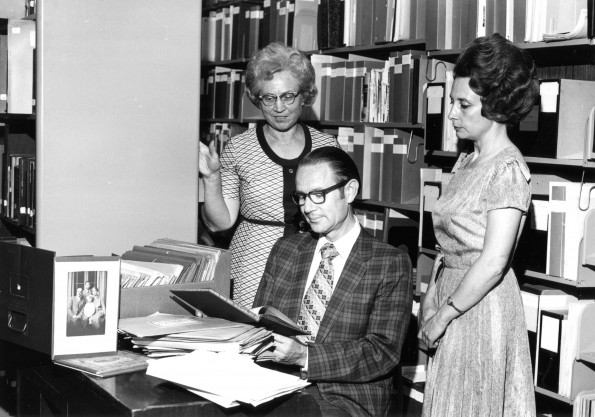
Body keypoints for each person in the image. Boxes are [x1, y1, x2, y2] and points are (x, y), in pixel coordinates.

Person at [418, 33, 539, 416]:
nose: (452, 113)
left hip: (481, 310)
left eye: (463, 104)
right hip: (452, 295)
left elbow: (493, 262)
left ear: (497, 106)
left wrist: (444, 314)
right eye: (452, 102)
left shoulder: (508, 169)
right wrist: (432, 297)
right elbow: (448, 244)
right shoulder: (467, 160)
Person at [253, 147, 412, 416]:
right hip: (275, 383)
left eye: (318, 195)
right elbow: (259, 321)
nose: (306, 208)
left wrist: (305, 356)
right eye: (301, 197)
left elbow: (382, 352)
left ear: (349, 191)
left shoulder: (389, 262)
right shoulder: (286, 249)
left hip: (344, 396)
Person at [199, 42, 340, 307]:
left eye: (288, 96)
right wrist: (211, 179)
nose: (279, 107)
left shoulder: (327, 148)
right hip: (252, 267)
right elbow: (221, 223)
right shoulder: (239, 147)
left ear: (304, 95)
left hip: (314, 261)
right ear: (257, 98)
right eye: (269, 98)